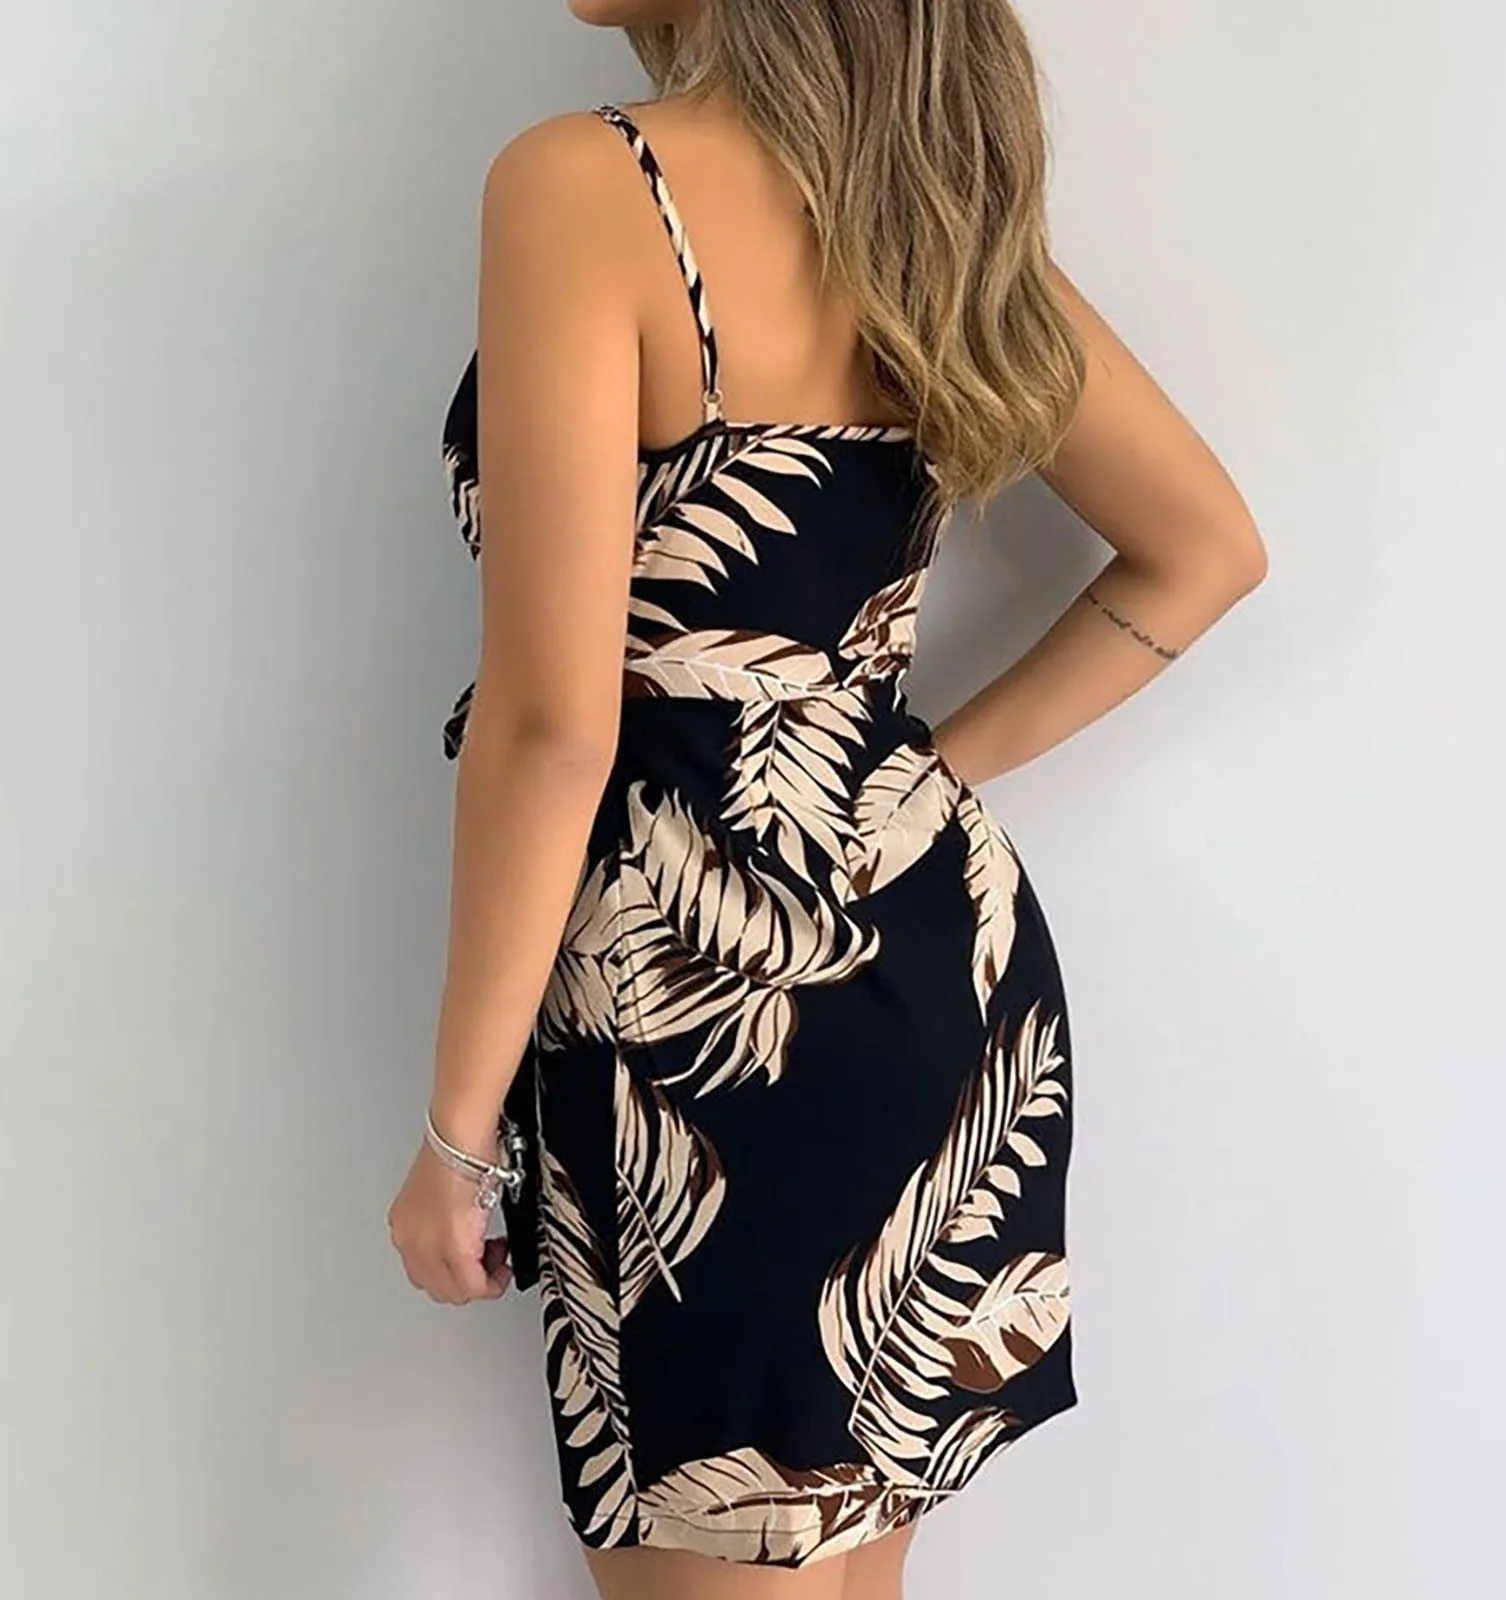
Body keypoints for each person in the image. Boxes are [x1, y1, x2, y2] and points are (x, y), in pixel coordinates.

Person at [388, 2, 1267, 1596]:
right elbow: (1205, 550)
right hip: (934, 976)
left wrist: (457, 1135)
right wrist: (911, 773)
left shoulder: (587, 184)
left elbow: (553, 724)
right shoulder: (928, 216)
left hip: (706, 1020)